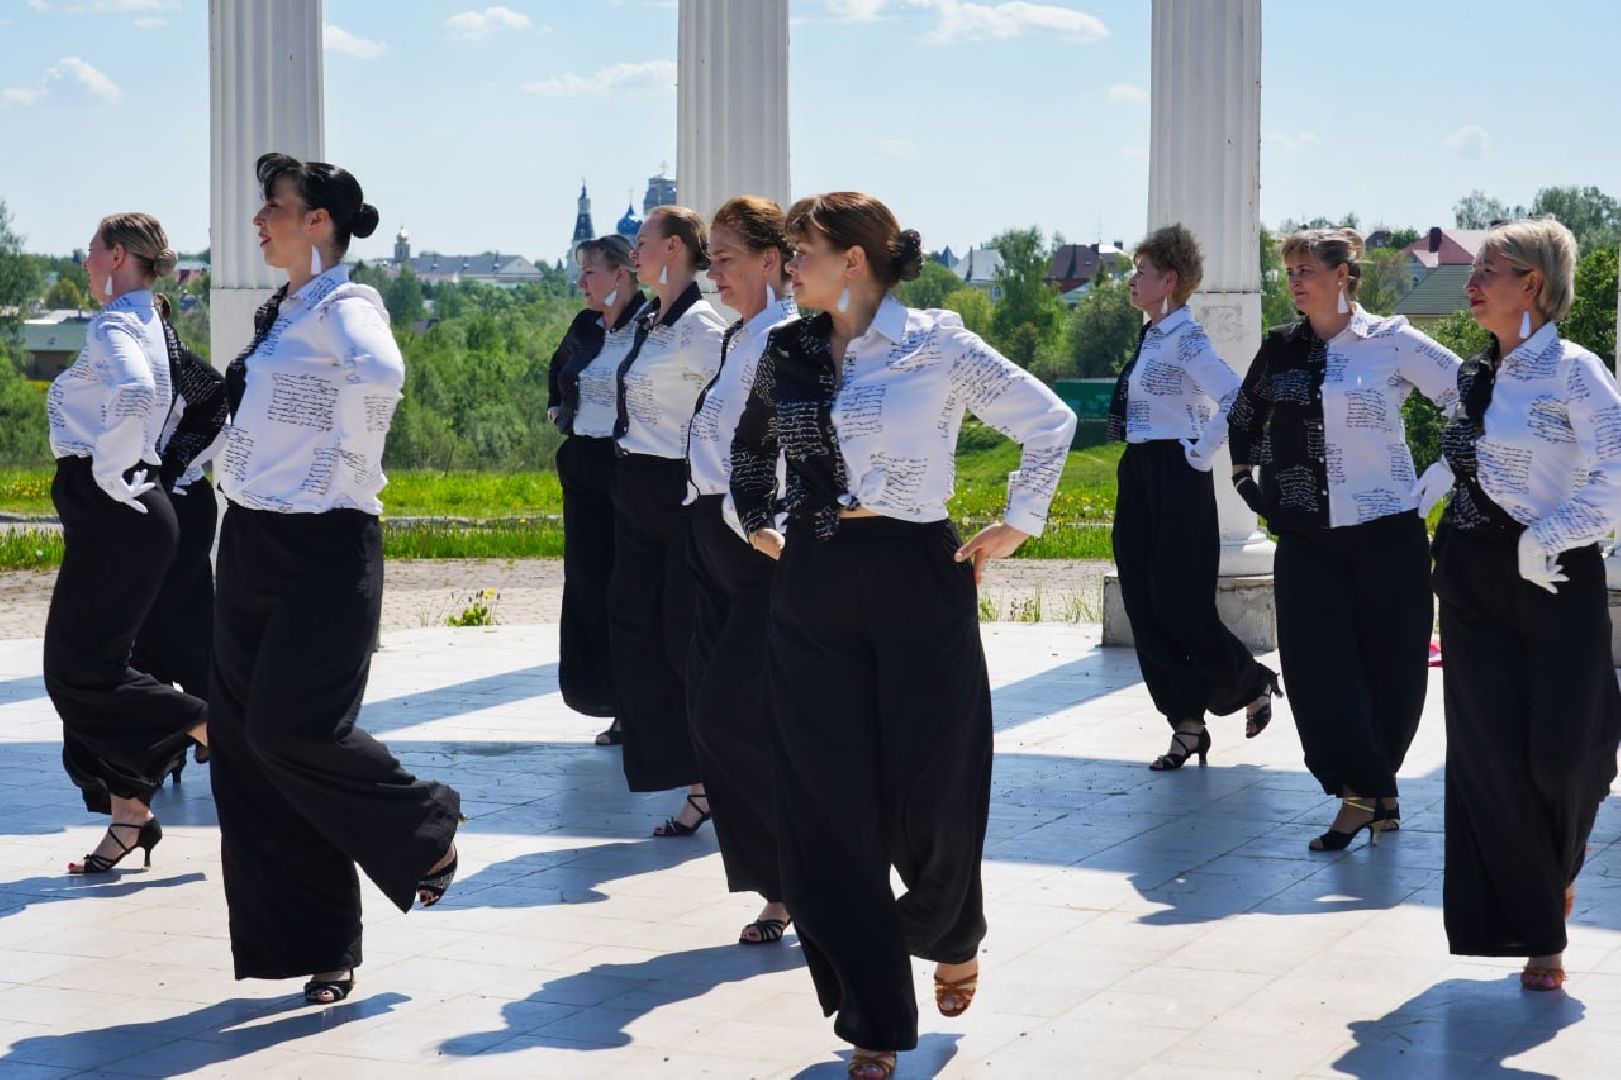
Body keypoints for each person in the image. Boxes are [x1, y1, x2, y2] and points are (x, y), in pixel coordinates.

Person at [731, 192, 1076, 1078]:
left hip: (918, 577)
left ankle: (952, 928)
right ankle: (874, 1019)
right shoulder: (789, 347)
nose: (787, 266)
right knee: (824, 806)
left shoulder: (939, 344)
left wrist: (1018, 522)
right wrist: (758, 517)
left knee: (933, 792)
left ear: (853, 259)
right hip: (812, 579)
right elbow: (748, 445)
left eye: (799, 250)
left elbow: (1050, 421)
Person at [210, 153, 461, 1006]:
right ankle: (320, 946)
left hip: (323, 548)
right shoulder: (284, 310)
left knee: (295, 729)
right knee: (247, 753)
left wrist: (343, 471)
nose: (259, 220)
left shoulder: (348, 305)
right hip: (249, 543)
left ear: (319, 221)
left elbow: (380, 375)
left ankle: (425, 823)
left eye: (272, 207)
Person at [1428, 218, 1621, 992]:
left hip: (1556, 578)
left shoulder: (1577, 372)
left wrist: (1547, 538)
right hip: (1471, 579)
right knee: (1490, 761)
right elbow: (1459, 470)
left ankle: (1559, 866)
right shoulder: (1476, 375)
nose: (1471, 282)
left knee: (1567, 755)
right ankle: (1540, 932)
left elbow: (1615, 476)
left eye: (1489, 269)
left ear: (1532, 284)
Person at [1226, 227, 1462, 851]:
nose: (1296, 281)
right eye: (1290, 271)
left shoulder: (1391, 341)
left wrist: (1435, 481)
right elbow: (1243, 418)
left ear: (1342, 274)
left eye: (1306, 269)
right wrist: (1252, 490)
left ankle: (1377, 791)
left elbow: (1473, 395)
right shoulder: (1280, 348)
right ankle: (1359, 795)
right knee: (1315, 668)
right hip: (1306, 536)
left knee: (1393, 667)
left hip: (1388, 530)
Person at [43, 212, 207, 873]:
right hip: (130, 513)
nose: (84, 264)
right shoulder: (151, 320)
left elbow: (138, 392)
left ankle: (216, 727)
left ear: (115, 256)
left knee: (80, 674)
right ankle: (130, 815)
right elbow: (207, 395)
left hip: (115, 509)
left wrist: (118, 471)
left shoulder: (115, 323)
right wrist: (159, 470)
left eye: (89, 252)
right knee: (100, 670)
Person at [1107, 224, 1280, 771]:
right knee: (1142, 600)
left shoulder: (1185, 337)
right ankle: (1185, 722)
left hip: (1176, 472)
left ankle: (1249, 680)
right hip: (1139, 469)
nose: (1133, 280)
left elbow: (1236, 394)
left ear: (1170, 280)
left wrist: (1202, 452)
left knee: (1180, 602)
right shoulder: (1152, 335)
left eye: (1142, 272)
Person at [685, 196, 798, 944]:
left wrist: (770, 525)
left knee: (733, 715)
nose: (713, 270)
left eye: (724, 257)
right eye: (710, 257)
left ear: (770, 259)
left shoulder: (788, 337)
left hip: (759, 546)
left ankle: (798, 880)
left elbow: (798, 444)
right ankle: (782, 888)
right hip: (710, 538)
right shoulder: (740, 336)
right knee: (734, 717)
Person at [611, 206, 727, 835]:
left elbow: (734, 407)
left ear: (674, 247)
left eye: (642, 239)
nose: (635, 248)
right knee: (637, 636)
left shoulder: (704, 326)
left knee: (683, 639)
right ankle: (686, 770)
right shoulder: (652, 321)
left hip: (678, 491)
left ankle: (711, 781)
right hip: (635, 487)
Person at [548, 235, 649, 742]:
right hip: (582, 464)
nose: (582, 282)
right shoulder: (585, 326)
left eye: (591, 272)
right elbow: (558, 368)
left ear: (622, 275)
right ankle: (605, 698)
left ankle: (637, 707)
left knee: (626, 589)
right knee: (587, 584)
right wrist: (558, 408)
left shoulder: (652, 328)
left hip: (625, 465)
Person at [131, 292, 228, 783]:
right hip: (145, 506)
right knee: (144, 627)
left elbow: (216, 397)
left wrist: (169, 464)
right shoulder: (125, 361)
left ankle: (208, 725)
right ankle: (166, 739)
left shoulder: (178, 362)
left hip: (184, 505)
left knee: (183, 619)